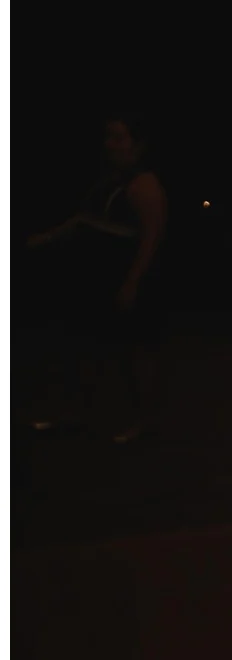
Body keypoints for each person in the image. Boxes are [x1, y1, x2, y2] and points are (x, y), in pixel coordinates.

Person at [27, 111, 168, 444]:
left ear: (138, 145)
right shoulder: (110, 182)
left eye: (119, 137)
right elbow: (84, 220)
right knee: (92, 349)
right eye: (108, 137)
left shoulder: (144, 184)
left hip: (128, 278)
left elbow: (152, 237)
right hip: (101, 279)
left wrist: (133, 282)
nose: (111, 144)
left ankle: (143, 423)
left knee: (136, 352)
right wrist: (45, 239)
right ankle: (82, 414)